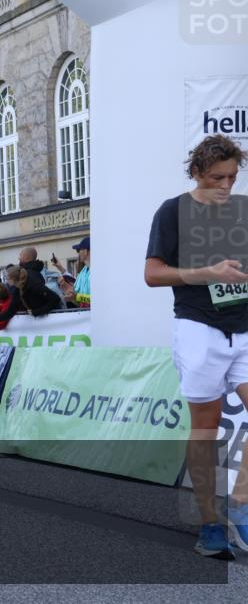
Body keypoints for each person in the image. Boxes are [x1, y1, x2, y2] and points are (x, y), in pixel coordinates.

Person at [144, 133, 248, 559]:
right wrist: (207, 272)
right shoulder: (173, 212)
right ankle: (209, 523)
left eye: (232, 177)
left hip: (243, 328)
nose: (225, 186)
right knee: (205, 427)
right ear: (196, 173)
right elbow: (152, 274)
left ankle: (239, 508)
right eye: (216, 178)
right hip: (198, 328)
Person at [61, 237, 91, 308]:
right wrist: (71, 293)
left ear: (86, 251)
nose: (78, 253)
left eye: (78, 250)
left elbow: (99, 300)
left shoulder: (102, 271)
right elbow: (79, 302)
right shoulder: (83, 272)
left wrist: (77, 296)